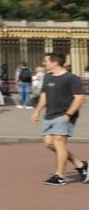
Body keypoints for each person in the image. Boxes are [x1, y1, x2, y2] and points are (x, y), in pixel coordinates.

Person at [31, 52, 87, 186]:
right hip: (49, 114)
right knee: (48, 143)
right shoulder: (48, 77)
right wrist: (37, 111)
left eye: (46, 61)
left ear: (55, 62)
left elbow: (80, 98)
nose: (44, 63)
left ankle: (59, 177)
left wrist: (69, 114)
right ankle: (80, 164)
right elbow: (44, 95)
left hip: (64, 115)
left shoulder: (71, 78)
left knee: (59, 142)